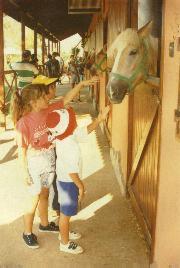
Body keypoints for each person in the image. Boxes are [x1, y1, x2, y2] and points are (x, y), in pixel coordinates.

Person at [11, 75, 99, 249]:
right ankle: (27, 232)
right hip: (35, 161)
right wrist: (24, 172)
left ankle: (44, 224)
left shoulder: (48, 110)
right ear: (34, 103)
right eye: (43, 97)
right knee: (34, 197)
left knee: (44, 194)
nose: (48, 97)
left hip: (48, 157)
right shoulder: (23, 123)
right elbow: (22, 151)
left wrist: (80, 84)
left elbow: (67, 98)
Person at [46, 105, 110, 254]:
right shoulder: (69, 146)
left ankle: (64, 232)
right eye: (72, 120)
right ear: (68, 126)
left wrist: (99, 119)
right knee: (65, 214)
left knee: (65, 213)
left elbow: (85, 131)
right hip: (68, 182)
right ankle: (64, 243)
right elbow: (71, 172)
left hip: (66, 180)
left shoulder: (67, 135)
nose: (75, 120)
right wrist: (81, 186)